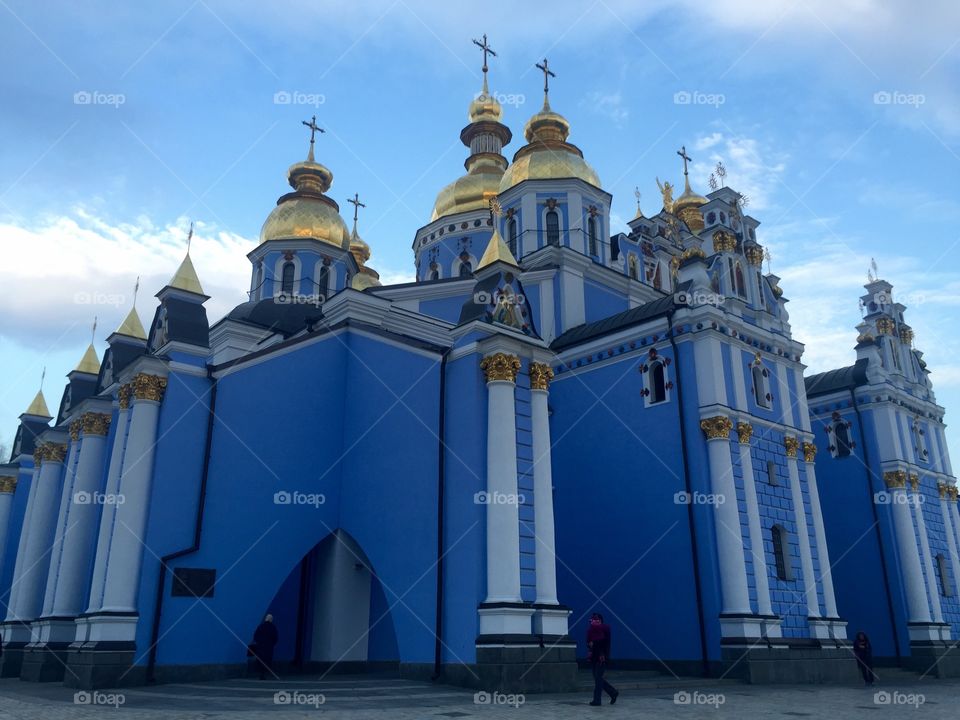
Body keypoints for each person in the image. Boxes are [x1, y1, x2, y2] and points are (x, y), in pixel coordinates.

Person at [586, 613, 619, 706]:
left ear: (600, 621)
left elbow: (602, 643)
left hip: (601, 657)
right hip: (593, 657)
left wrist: (594, 644)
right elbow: (588, 643)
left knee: (598, 678)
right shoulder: (591, 631)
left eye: (596, 620)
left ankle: (597, 700)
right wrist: (590, 645)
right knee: (597, 678)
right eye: (593, 620)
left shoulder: (604, 629)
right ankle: (613, 692)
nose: (594, 621)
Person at [253, 613, 279, 680]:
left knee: (260, 660)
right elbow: (275, 638)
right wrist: (271, 644)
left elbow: (255, 636)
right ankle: (264, 673)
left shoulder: (261, 626)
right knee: (267, 660)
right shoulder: (273, 627)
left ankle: (260, 673)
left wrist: (259, 642)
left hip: (260, 647)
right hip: (268, 647)